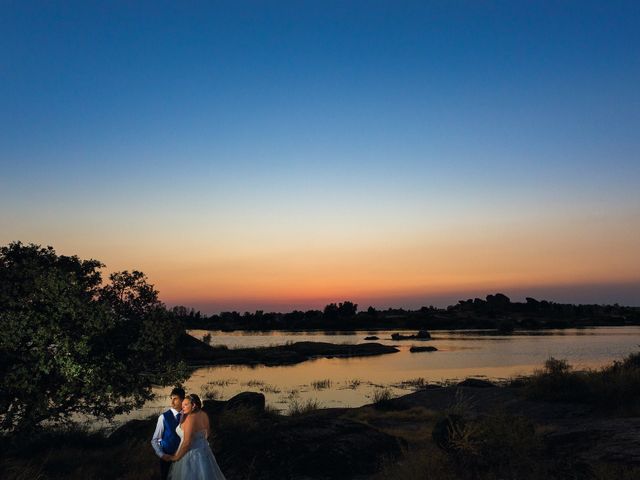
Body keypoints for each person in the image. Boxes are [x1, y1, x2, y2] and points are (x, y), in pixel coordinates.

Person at [168, 394, 226, 480]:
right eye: (183, 405)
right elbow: (206, 434)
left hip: (190, 454)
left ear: (193, 405)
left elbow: (187, 442)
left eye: (186, 405)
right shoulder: (203, 415)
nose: (183, 407)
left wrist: (176, 457)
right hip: (203, 451)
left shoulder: (190, 419)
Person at [151, 387, 185, 480]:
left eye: (175, 399)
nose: (172, 402)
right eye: (171, 398)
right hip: (167, 458)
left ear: (182, 400)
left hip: (184, 458)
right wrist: (162, 454)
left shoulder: (187, 416)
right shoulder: (163, 417)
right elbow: (154, 440)